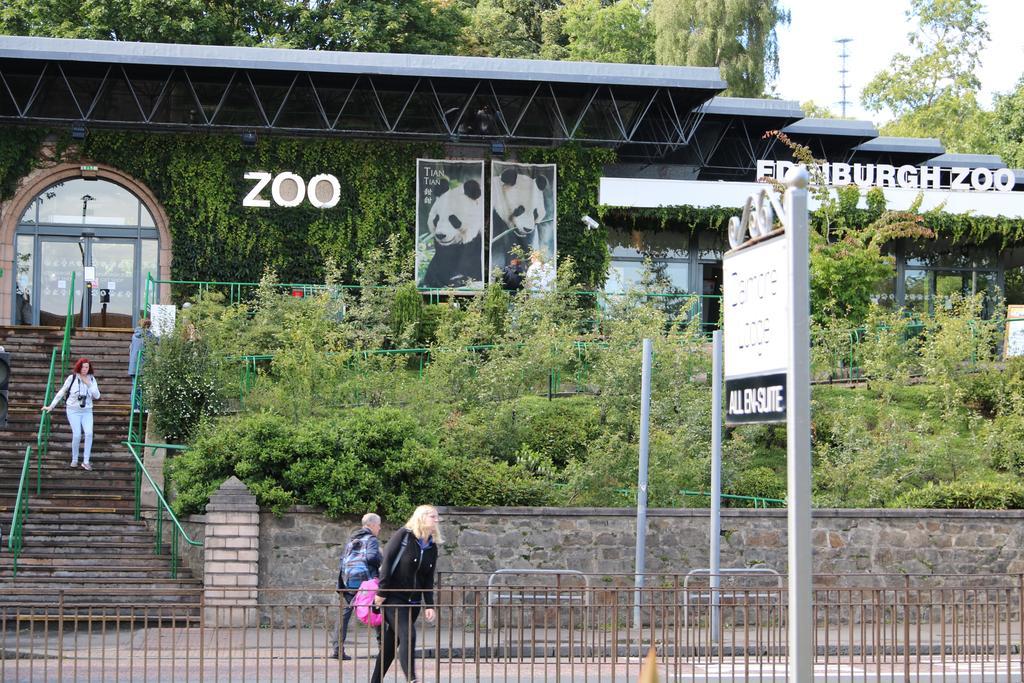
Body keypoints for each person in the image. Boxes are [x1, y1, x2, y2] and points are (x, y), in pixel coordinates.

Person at [370, 505, 442, 683]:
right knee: (409, 634)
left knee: (391, 643)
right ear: (421, 517)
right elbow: (386, 562)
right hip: (394, 598)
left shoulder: (432, 547)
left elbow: (427, 578)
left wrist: (430, 604)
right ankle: (412, 679)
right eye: (433, 516)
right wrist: (382, 591)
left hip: (414, 602)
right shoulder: (404, 536)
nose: (437, 520)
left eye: (437, 517)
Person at [332, 513, 383, 660]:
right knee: (377, 610)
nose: (379, 528)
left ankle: (337, 650)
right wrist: (382, 559)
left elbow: (342, 560)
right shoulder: (371, 539)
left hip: (348, 582)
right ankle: (383, 649)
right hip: (365, 584)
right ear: (372, 524)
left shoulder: (351, 539)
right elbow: (372, 557)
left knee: (344, 615)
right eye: (378, 525)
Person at [42, 358, 100, 470]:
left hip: (87, 410)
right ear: (79, 367)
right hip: (73, 410)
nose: (85, 369)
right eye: (83, 367)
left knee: (89, 433)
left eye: (87, 367)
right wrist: (51, 406)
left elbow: (97, 396)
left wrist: (89, 384)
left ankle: (86, 461)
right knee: (77, 434)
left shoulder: (91, 379)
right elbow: (61, 392)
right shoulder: (72, 378)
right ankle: (74, 459)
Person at [127, 317, 154, 411]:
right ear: (147, 326)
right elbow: (157, 341)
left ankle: (134, 407)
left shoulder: (134, 336)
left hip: (133, 366)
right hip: (142, 365)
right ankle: (144, 406)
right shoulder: (148, 335)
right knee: (144, 387)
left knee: (135, 386)